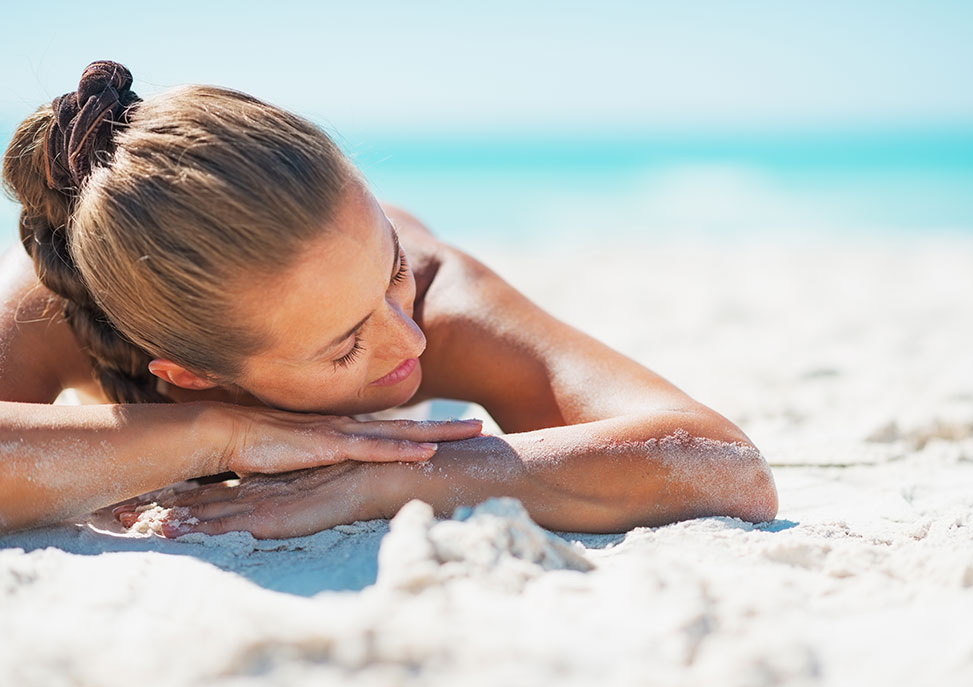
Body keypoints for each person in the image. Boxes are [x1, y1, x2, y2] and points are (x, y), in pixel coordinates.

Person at [0, 61, 777, 539]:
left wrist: (382, 478)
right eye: (343, 345)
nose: (409, 340)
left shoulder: (440, 299)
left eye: (389, 270)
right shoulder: (64, 301)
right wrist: (220, 437)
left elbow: (723, 465)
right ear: (191, 372)